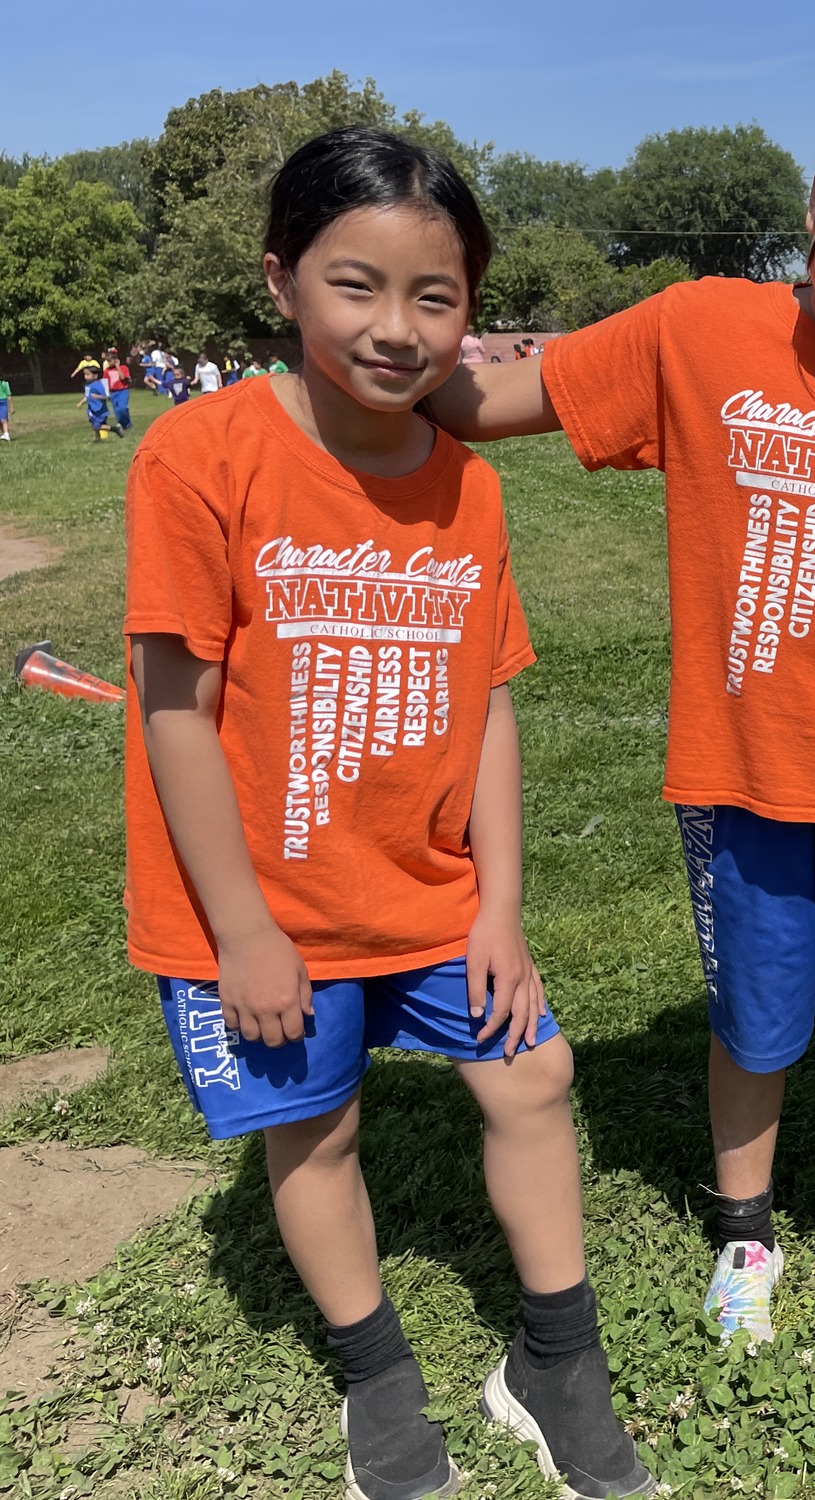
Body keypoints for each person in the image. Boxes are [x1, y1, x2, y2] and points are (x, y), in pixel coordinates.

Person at [426, 66, 815, 1366]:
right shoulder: (697, 331)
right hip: (737, 777)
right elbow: (498, 398)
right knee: (750, 1025)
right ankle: (745, 1232)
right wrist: (349, 380)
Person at [123, 127, 656, 1500]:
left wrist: (499, 910)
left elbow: (486, 703)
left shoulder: (467, 483)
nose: (397, 327)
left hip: (423, 888)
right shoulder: (197, 455)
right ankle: (377, 1378)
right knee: (318, 1130)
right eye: (355, 285)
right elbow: (172, 709)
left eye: (437, 296)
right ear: (282, 281)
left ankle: (556, 1363)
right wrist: (240, 932)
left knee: (533, 1072)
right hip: (253, 907)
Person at [79, 368, 119, 440]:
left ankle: (115, 429)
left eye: (88, 374)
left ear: (95, 376)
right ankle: (98, 439)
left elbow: (106, 397)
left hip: (99, 410)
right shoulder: (87, 385)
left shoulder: (98, 385)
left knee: (97, 426)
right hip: (91, 409)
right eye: (85, 374)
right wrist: (81, 402)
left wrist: (97, 396)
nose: (85, 376)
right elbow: (88, 396)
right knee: (94, 424)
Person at [103, 349, 134, 432]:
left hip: (122, 391)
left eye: (110, 361)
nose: (109, 363)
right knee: (116, 410)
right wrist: (107, 393)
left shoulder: (123, 368)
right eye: (107, 361)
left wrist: (117, 367)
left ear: (116, 360)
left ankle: (127, 423)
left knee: (122, 408)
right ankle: (122, 424)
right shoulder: (107, 371)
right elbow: (105, 382)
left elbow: (123, 377)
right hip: (113, 392)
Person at [0, 376, 11, 441]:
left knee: (3, 419)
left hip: (3, 402)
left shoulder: (4, 384)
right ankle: (4, 433)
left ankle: (6, 434)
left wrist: (11, 407)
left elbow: (8, 395)